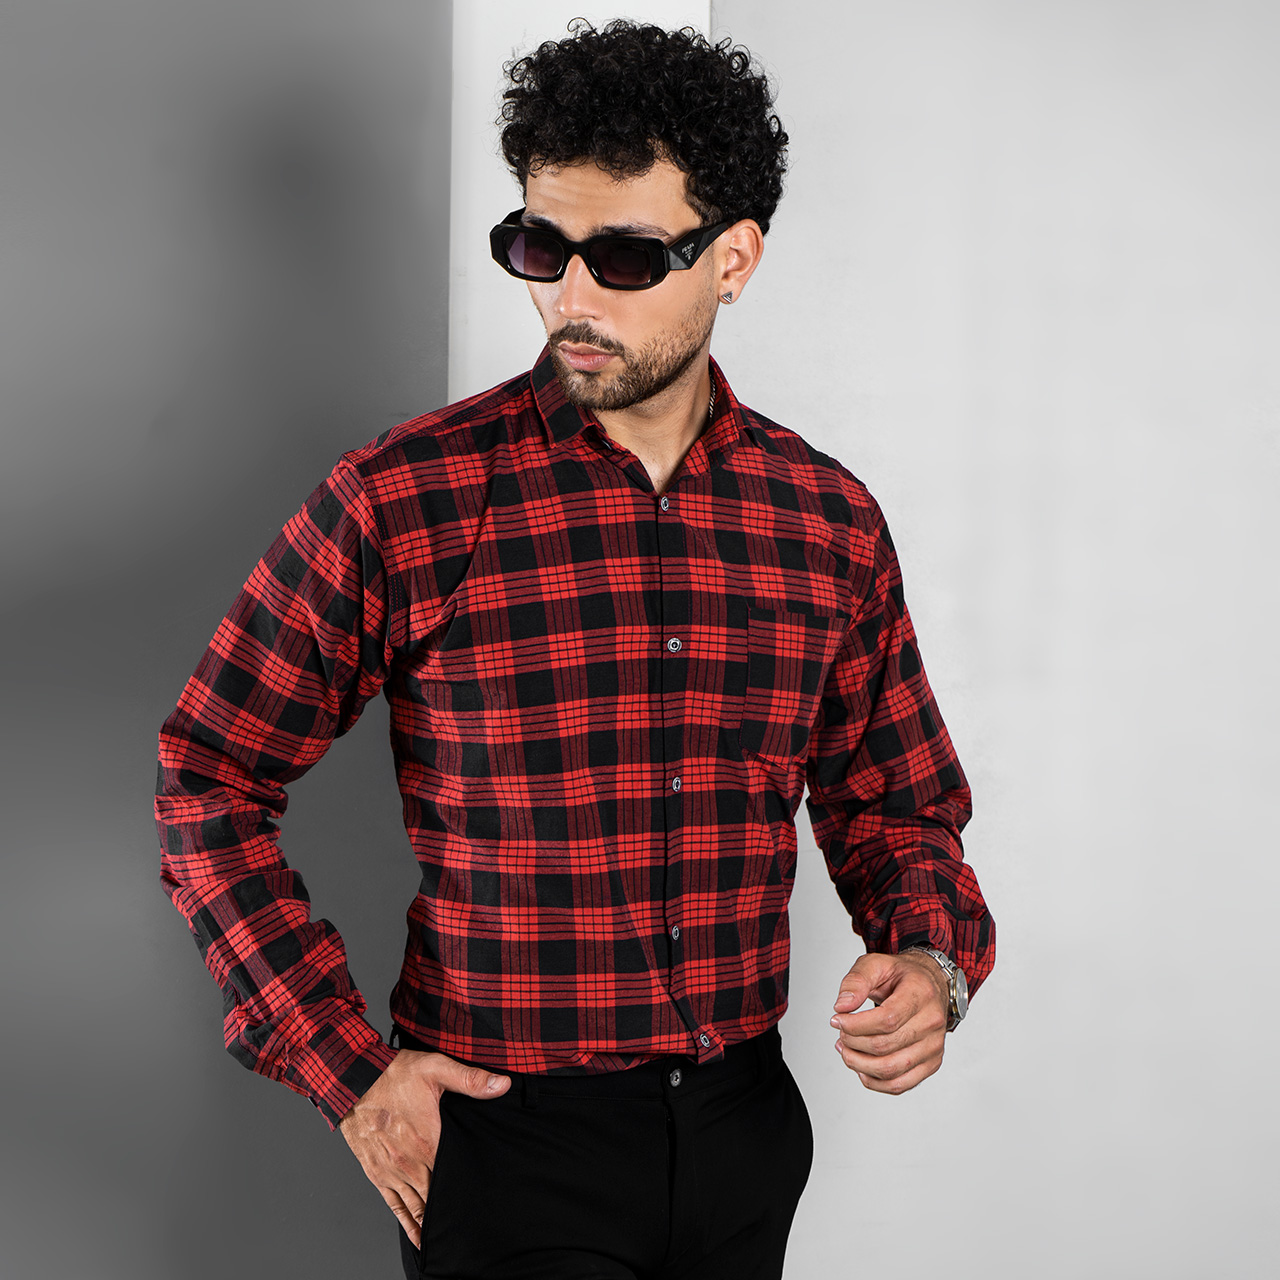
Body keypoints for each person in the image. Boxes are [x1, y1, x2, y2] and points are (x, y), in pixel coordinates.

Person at [156, 19, 994, 1280]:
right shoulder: (406, 498)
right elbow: (206, 773)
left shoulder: (823, 520)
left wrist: (930, 959)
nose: (571, 298)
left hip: (742, 1127)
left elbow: (896, 805)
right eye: (540, 247)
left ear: (732, 258)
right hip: (508, 1138)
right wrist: (345, 1066)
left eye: (626, 256)